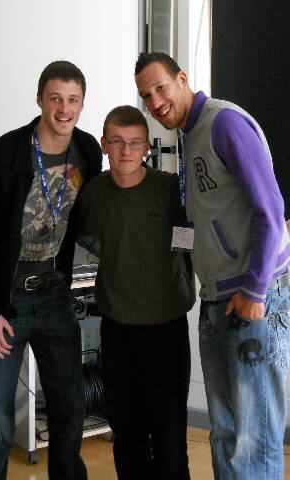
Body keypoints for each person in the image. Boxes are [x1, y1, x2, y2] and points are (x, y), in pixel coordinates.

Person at [135, 51, 290, 480]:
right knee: (224, 432)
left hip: (254, 301)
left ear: (182, 79)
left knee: (254, 439)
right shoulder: (190, 134)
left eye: (161, 88)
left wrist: (256, 291)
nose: (155, 102)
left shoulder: (225, 123)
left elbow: (271, 209)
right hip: (216, 300)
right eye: (147, 96)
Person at [0, 60, 102, 480]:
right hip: (4, 302)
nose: (64, 109)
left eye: (73, 100)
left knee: (68, 403)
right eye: (56, 99)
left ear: (82, 104)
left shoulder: (87, 150)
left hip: (55, 294)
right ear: (40, 100)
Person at [77, 105, 195, 480]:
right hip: (118, 329)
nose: (126, 151)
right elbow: (80, 245)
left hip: (167, 329)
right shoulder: (93, 194)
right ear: (104, 145)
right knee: (127, 434)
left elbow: (192, 241)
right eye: (117, 142)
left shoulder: (169, 190)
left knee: (169, 438)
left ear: (146, 147)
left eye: (134, 143)